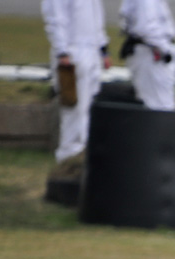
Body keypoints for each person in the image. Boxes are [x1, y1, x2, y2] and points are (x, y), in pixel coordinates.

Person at [42, 0, 111, 163]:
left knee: (88, 108)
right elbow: (55, 18)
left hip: (91, 50)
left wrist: (103, 48)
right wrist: (62, 51)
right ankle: (69, 157)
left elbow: (96, 17)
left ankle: (83, 154)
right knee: (74, 109)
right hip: (73, 51)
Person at [119, 0, 175, 111]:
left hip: (150, 50)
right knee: (160, 105)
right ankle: (161, 128)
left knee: (154, 102)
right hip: (152, 52)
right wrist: (165, 49)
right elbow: (147, 28)